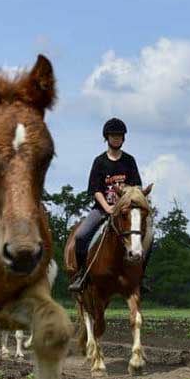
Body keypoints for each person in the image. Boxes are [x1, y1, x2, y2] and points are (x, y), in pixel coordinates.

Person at [68, 117, 142, 292]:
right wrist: (108, 208)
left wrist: (125, 202)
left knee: (147, 237)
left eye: (119, 136)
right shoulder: (99, 162)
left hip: (125, 211)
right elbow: (96, 190)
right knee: (81, 236)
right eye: (113, 136)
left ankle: (141, 277)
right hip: (102, 209)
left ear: (124, 138)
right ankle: (82, 275)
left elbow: (136, 186)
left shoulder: (129, 161)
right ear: (107, 137)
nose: (116, 139)